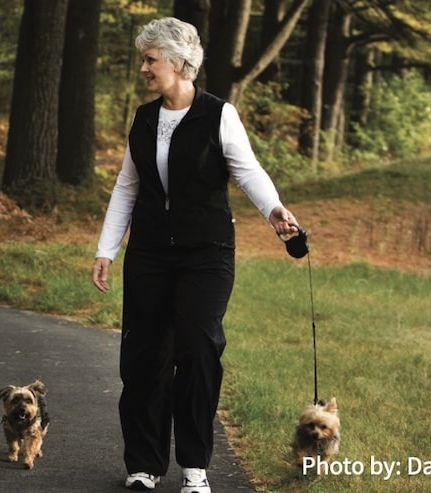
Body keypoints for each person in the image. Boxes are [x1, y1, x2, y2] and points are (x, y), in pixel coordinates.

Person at [91, 17, 300, 493]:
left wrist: (274, 210)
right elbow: (128, 187)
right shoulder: (144, 118)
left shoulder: (217, 114)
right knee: (144, 356)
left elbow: (248, 171)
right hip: (148, 254)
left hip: (206, 253)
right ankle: (144, 465)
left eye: (150, 59)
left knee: (198, 349)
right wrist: (107, 249)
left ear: (180, 63)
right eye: (143, 59)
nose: (143, 67)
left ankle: (194, 466)